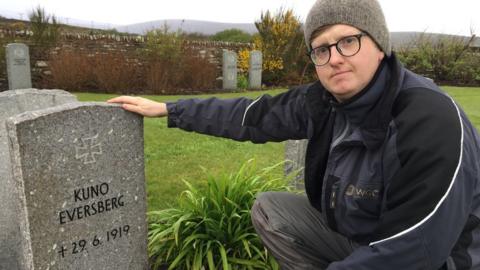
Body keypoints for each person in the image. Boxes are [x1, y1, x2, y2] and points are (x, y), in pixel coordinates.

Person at [108, 0, 480, 268]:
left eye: (348, 41)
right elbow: (252, 115)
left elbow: (415, 248)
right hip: (361, 234)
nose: (334, 57)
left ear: (379, 46)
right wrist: (171, 109)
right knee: (272, 211)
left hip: (439, 256)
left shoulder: (431, 120)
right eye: (321, 49)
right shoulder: (324, 100)